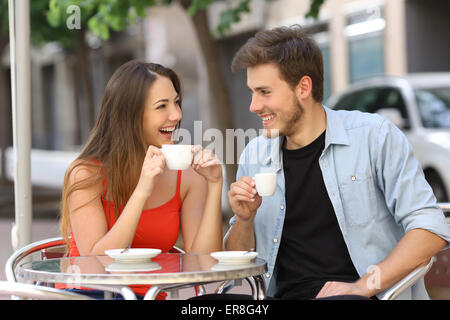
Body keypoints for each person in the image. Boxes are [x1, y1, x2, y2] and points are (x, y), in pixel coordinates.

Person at [225, 25, 450, 300]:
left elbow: (429, 227)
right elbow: (239, 267)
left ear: (303, 87)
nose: (253, 105)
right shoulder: (255, 155)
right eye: (252, 92)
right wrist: (244, 220)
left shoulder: (374, 137)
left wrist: (363, 286)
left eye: (264, 92)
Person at [58, 60, 223, 299]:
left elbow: (203, 266)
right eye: (161, 106)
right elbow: (99, 263)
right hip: (90, 293)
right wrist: (142, 191)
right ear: (130, 115)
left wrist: (215, 184)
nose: (176, 115)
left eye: (176, 103)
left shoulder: (187, 176)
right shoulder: (86, 173)